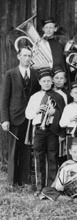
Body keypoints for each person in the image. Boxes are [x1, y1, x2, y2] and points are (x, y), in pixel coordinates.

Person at [0, 47, 40, 186]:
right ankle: (12, 181)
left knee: (26, 149)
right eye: (24, 55)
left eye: (29, 55)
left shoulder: (35, 74)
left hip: (29, 118)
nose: (27, 58)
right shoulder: (10, 74)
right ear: (19, 56)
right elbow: (4, 99)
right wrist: (4, 119)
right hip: (14, 118)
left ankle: (24, 180)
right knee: (13, 150)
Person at [25, 68, 66, 194]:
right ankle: (39, 186)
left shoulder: (60, 96)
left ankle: (51, 186)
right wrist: (37, 110)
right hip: (39, 130)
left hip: (52, 129)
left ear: (52, 81)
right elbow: (28, 114)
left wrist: (55, 112)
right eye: (44, 81)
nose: (47, 83)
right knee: (38, 156)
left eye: (49, 81)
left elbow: (64, 113)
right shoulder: (35, 97)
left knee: (52, 156)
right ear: (40, 82)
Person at [39, 137, 77, 203]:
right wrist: (60, 186)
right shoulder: (66, 164)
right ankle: (66, 199)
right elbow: (58, 183)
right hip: (69, 191)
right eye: (74, 152)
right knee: (46, 190)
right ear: (70, 152)